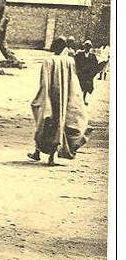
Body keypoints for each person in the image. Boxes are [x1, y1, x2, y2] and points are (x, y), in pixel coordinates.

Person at [29, 37, 88, 165]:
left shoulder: (48, 61)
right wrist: (75, 98)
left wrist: (43, 97)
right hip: (65, 98)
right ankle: (50, 157)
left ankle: (37, 152)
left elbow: (44, 82)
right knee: (60, 124)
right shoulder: (69, 61)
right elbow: (73, 82)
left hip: (50, 96)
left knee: (44, 123)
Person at [74, 40, 104, 105]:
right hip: (80, 73)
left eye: (89, 46)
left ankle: (83, 99)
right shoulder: (79, 54)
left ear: (90, 47)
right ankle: (77, 100)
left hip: (88, 75)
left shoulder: (92, 56)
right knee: (79, 87)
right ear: (84, 46)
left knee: (86, 88)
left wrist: (93, 72)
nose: (87, 48)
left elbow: (95, 65)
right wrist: (77, 70)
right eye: (86, 46)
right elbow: (75, 62)